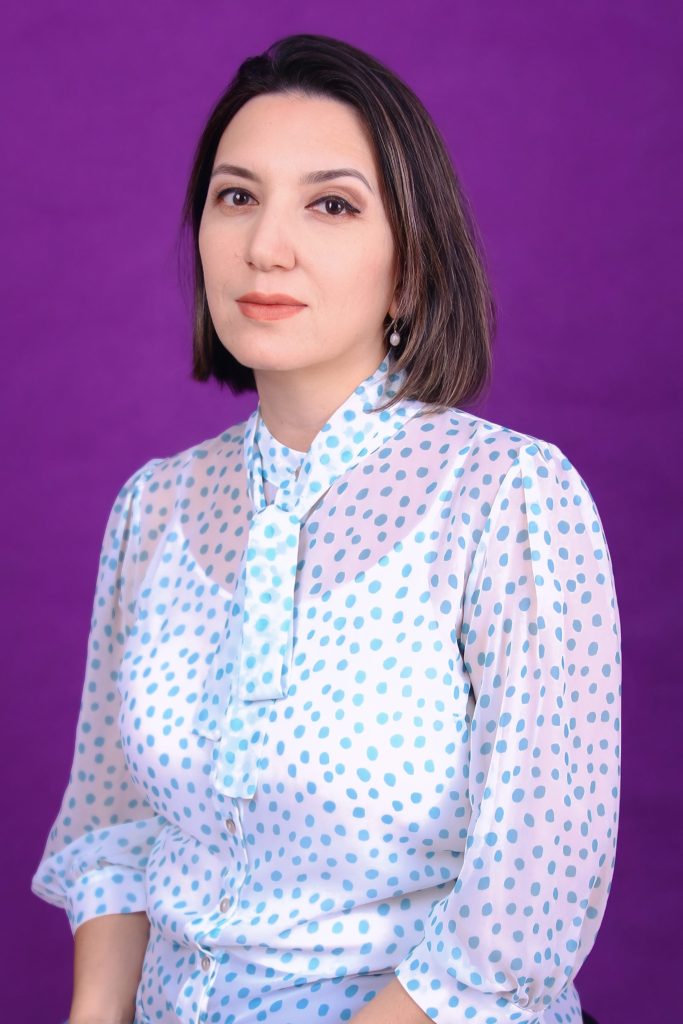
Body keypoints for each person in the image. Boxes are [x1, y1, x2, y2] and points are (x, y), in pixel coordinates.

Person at [32, 33, 620, 1024]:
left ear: (409, 265)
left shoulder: (506, 499)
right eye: (236, 196)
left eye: (332, 204)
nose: (266, 244)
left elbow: (527, 898)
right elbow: (113, 826)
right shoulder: (154, 508)